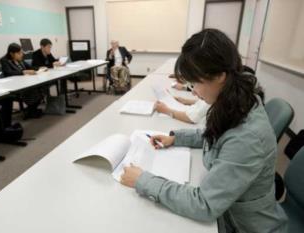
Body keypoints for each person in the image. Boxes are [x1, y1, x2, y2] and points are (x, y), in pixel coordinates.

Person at [120, 29, 287, 233]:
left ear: (219, 76)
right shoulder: (235, 98)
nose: (195, 92)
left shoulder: (247, 136)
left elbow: (205, 205)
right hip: (230, 212)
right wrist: (177, 138)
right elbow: (219, 133)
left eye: (196, 83)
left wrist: (142, 181)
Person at [0, 43, 45, 118]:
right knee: (34, 90)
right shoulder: (4, 60)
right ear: (11, 53)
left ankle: (31, 110)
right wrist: (23, 72)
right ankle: (31, 110)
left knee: (41, 87)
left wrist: (40, 68)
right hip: (15, 85)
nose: (21, 54)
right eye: (19, 53)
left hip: (25, 82)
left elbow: (30, 67)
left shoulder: (20, 60)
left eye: (21, 52)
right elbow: (8, 73)